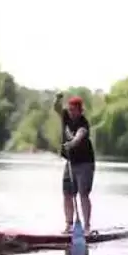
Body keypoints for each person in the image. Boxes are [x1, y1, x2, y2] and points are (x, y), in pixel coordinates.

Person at [53, 92, 96, 234]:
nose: (70, 112)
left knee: (83, 194)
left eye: (74, 110)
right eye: (69, 109)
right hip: (70, 163)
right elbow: (56, 108)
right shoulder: (65, 115)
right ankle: (69, 225)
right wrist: (57, 99)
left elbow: (79, 137)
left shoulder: (83, 123)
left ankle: (87, 227)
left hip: (85, 163)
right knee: (67, 193)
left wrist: (71, 144)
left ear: (80, 110)